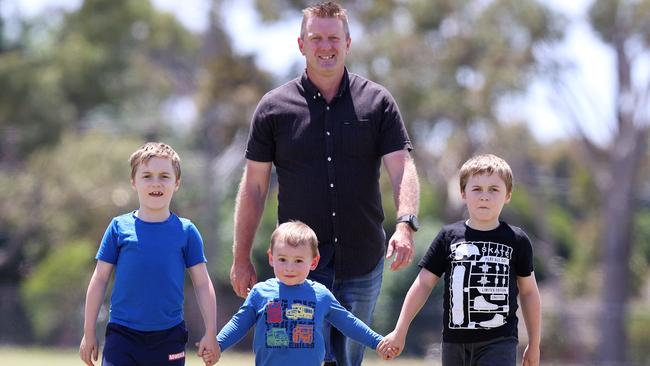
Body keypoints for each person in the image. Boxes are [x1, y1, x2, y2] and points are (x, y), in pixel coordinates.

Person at [230, 2, 419, 365]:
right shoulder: (273, 108)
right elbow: (253, 186)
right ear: (301, 44)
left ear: (348, 42)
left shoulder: (378, 103)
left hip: (362, 259)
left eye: (333, 38)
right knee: (299, 356)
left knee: (347, 358)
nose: (325, 46)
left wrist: (406, 223)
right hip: (298, 261)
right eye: (316, 38)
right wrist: (241, 257)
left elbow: (402, 168)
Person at [378, 154, 542, 366]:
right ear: (463, 193)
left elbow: (529, 292)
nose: (485, 196)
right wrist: (400, 331)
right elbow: (423, 284)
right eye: (477, 189)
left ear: (508, 194)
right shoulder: (448, 237)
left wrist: (534, 344)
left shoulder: (517, 240)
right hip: (454, 344)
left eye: (494, 189)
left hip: (500, 342)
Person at [79, 142, 220, 366]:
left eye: (164, 176)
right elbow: (100, 279)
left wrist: (211, 332)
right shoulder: (118, 228)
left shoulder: (187, 232)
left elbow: (202, 283)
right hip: (122, 336)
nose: (156, 183)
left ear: (177, 183)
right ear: (134, 182)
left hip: (168, 337)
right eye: (147, 176)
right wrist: (88, 332)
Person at [204, 221, 390, 365]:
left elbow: (349, 323)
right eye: (282, 259)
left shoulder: (321, 295)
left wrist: (377, 342)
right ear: (271, 258)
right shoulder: (260, 293)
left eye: (299, 261)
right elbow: (239, 324)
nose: (289, 267)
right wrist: (217, 345)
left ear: (314, 262)